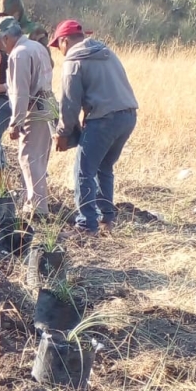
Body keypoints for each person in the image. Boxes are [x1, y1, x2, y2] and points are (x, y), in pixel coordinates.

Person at [51, 20, 139, 234]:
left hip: (104, 120)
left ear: (64, 41)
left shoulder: (73, 61)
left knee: (83, 171)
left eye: (58, 46)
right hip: (127, 116)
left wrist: (62, 133)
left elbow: (70, 104)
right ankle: (106, 220)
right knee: (104, 168)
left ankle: (86, 224)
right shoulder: (107, 52)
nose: (59, 51)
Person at [0, 0, 46, 225]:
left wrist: (16, 116)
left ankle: (34, 200)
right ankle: (0, 183)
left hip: (26, 97)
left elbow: (38, 69)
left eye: (4, 14)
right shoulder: (3, 33)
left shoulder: (32, 34)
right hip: (5, 91)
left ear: (17, 12)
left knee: (29, 153)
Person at [0, 16, 57, 222]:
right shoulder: (36, 47)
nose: (1, 47)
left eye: (0, 42)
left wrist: (16, 122)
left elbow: (21, 93)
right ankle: (35, 204)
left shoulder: (19, 55)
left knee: (28, 157)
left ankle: (37, 209)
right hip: (49, 106)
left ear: (6, 37)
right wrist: (2, 87)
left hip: (35, 109)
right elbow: (29, 81)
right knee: (39, 158)